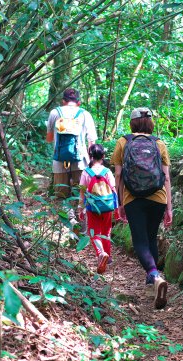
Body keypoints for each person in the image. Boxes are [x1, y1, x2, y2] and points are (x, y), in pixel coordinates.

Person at [111, 107, 173, 309]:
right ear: (150, 123)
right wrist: (169, 208)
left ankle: (154, 275)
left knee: (140, 240)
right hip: (158, 198)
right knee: (151, 237)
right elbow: (167, 177)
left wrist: (119, 203)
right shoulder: (159, 143)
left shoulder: (124, 142)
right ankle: (151, 283)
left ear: (133, 122)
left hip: (133, 197)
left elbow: (118, 176)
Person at [46, 88, 97, 226]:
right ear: (78, 102)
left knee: (62, 195)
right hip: (81, 161)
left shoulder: (55, 112)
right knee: (80, 192)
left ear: (63, 101)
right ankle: (81, 223)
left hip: (59, 160)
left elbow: (49, 139)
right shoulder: (85, 114)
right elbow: (91, 142)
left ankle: (69, 222)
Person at [78, 144, 117, 274]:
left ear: (90, 156)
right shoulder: (107, 172)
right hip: (107, 206)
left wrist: (80, 208)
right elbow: (113, 190)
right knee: (106, 231)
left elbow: (82, 192)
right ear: (103, 156)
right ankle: (108, 257)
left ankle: (101, 253)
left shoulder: (86, 172)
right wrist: (117, 208)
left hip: (92, 207)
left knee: (93, 232)